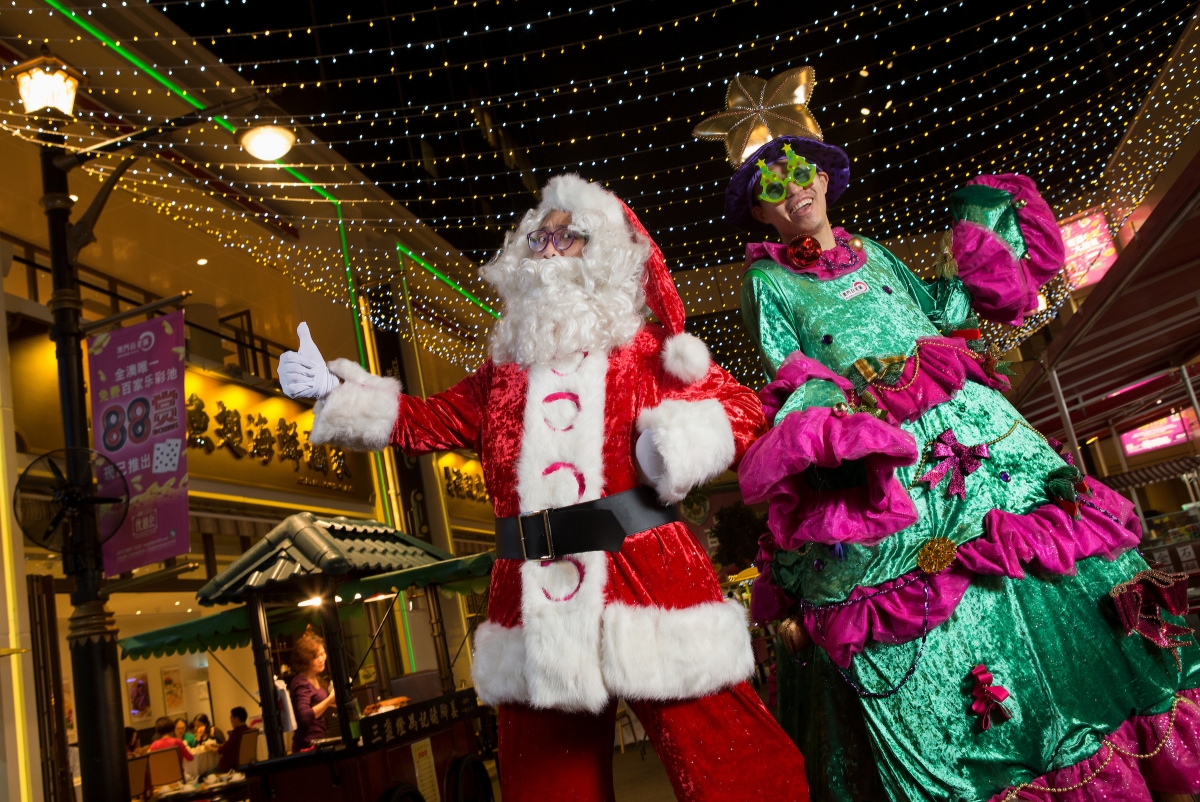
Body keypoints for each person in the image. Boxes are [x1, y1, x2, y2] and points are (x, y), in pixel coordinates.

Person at [695, 65, 1200, 801]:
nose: (793, 190)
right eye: (772, 187)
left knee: (1040, 550)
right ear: (760, 213)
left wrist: (985, 249)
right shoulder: (767, 282)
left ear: (825, 178)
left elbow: (933, 310)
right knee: (931, 588)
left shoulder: (871, 248)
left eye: (800, 171)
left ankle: (1102, 729)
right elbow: (789, 372)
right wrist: (843, 419)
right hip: (891, 452)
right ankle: (998, 755)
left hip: (974, 421)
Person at [277, 174, 810, 801]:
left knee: (732, 766)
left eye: (569, 236)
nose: (548, 247)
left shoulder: (649, 354)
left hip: (648, 576)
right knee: (546, 787)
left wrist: (678, 441)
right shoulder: (500, 377)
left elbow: (745, 410)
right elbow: (426, 421)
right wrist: (334, 391)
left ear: (605, 255)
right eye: (539, 236)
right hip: (530, 595)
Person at [288, 632, 336, 752]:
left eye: (322, 654)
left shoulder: (313, 678)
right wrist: (330, 698)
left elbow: (315, 704)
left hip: (318, 741)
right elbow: (305, 716)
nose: (321, 659)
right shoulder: (301, 682)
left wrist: (331, 703)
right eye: (315, 657)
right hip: (307, 746)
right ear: (304, 660)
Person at [216, 707, 251, 772]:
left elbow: (221, 750)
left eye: (231, 718)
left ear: (236, 719)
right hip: (245, 765)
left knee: (204, 776)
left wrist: (210, 748)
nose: (230, 721)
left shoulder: (236, 734)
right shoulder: (249, 731)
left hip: (229, 767)